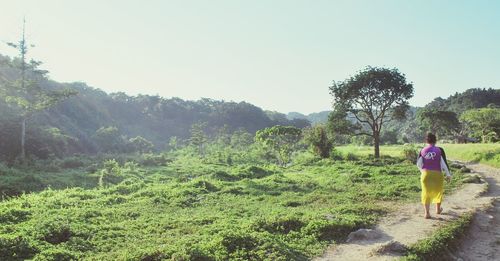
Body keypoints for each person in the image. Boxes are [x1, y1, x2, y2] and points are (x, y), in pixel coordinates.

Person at [416, 133, 452, 219]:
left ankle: (427, 213)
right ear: (435, 140)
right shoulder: (439, 150)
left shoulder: (422, 150)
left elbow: (418, 164)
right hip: (437, 174)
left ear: (426, 141)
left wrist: (423, 172)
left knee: (425, 193)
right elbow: (443, 164)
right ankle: (438, 209)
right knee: (438, 191)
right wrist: (448, 174)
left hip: (426, 174)